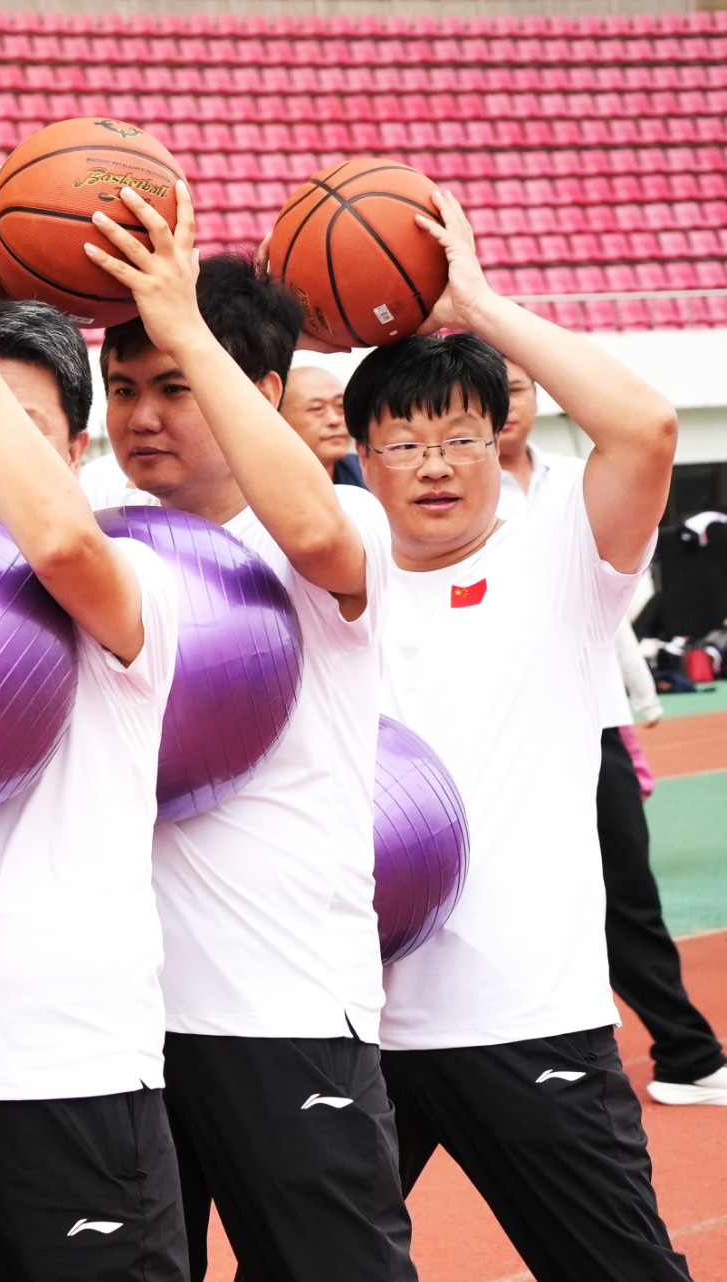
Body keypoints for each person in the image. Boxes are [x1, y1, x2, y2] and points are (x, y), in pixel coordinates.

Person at [346, 189, 692, 1280]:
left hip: (527, 1017)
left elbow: (645, 426)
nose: (436, 463)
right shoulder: (333, 570)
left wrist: (476, 305)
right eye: (406, 441)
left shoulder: (560, 560)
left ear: (501, 444)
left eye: (462, 436)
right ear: (362, 456)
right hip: (358, 1025)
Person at [92, 188, 415, 1281]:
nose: (141, 416)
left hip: (286, 1005)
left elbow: (317, 534)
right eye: (123, 388)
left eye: (174, 385)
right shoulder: (101, 547)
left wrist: (183, 320)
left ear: (260, 392)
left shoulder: (342, 520)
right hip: (127, 1028)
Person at [0, 194, 187, 1280]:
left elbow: (60, 546)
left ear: (76, 449)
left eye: (22, 428)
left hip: (66, 1074)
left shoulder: (132, 581)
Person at [493, 362, 727, 1109]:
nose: (505, 405)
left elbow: (610, 605)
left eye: (517, 388)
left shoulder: (580, 479)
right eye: (490, 392)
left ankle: (686, 1053)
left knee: (628, 895)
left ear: (539, 396)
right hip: (493, 733)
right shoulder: (451, 493)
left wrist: (636, 702)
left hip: (591, 726)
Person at [281, 363, 366, 488]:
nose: (334, 420)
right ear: (280, 417)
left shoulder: (366, 472)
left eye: (340, 406)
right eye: (317, 408)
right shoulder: (259, 485)